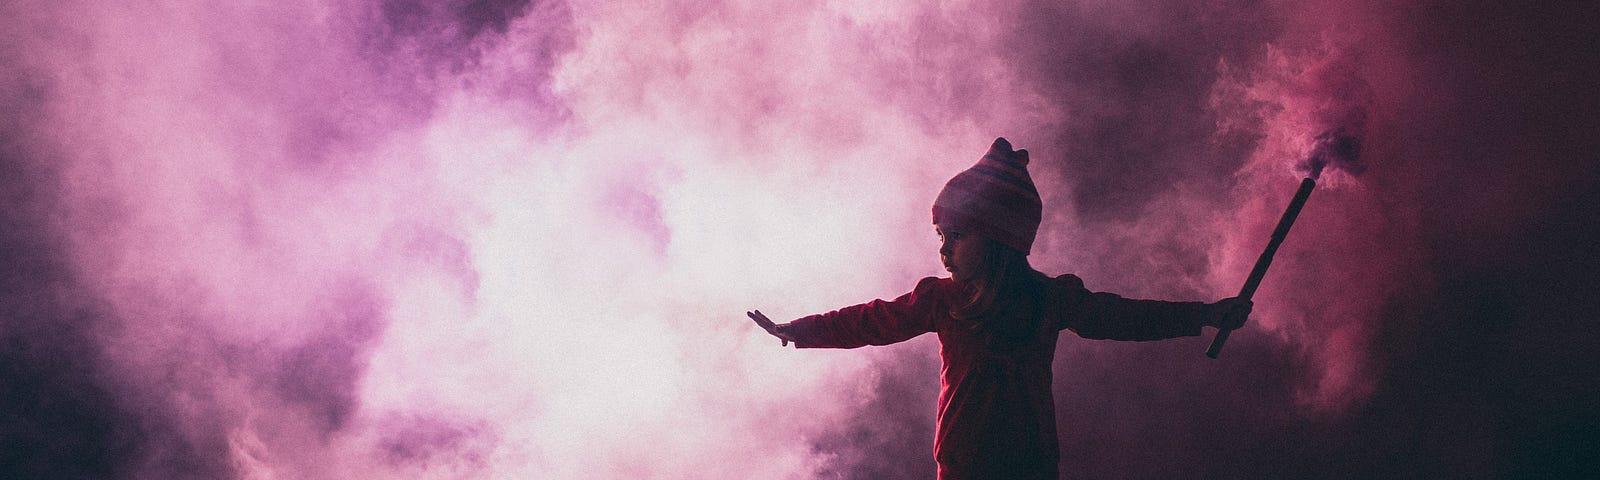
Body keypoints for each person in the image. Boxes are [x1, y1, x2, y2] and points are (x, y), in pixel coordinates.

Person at [747, 138, 1251, 480]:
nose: (944, 250)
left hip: (1031, 468)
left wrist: (1203, 314)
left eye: (956, 236)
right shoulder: (942, 300)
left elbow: (1121, 317)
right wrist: (802, 330)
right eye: (941, 237)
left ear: (997, 240)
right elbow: (872, 321)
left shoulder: (1050, 299)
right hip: (965, 470)